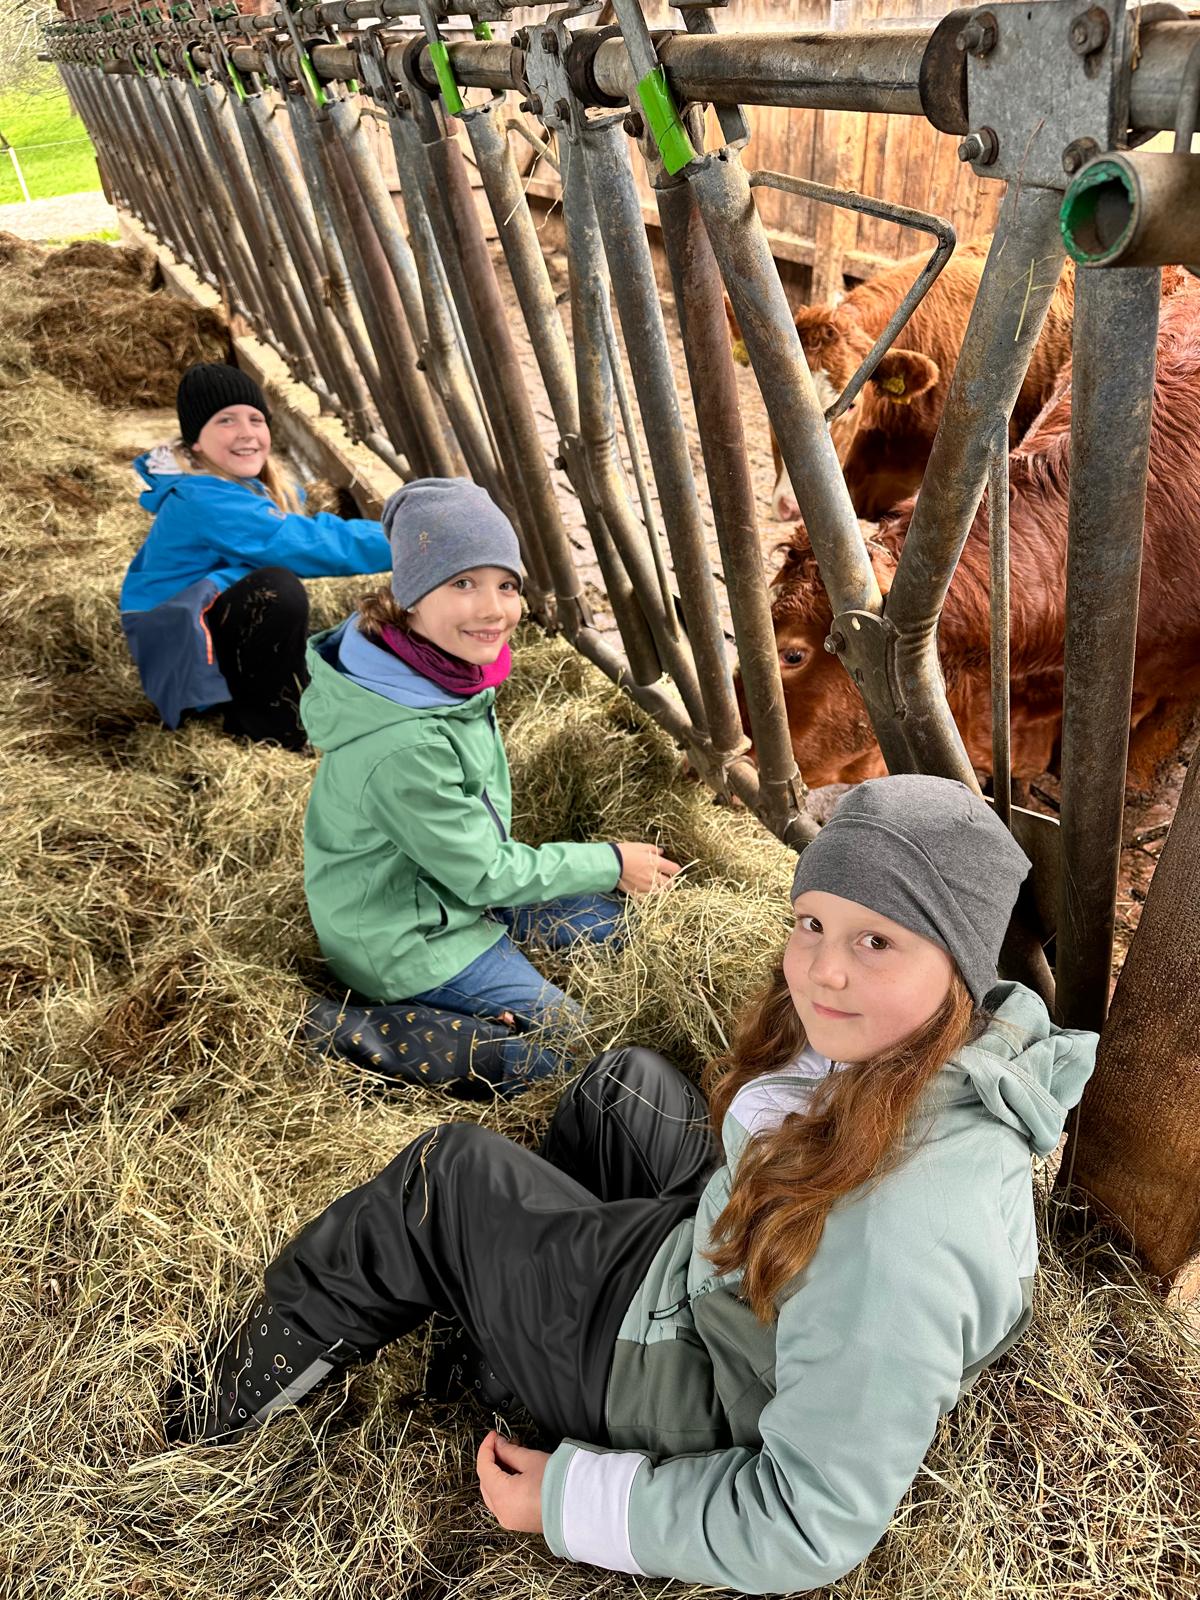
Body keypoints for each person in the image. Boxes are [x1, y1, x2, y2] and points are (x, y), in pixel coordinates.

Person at [178, 775, 1095, 1593]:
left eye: (877, 941)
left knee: (442, 1179)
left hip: (686, 1385)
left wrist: (572, 1500)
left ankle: (211, 1415)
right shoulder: (946, 1053)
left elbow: (807, 1523)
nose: (824, 969)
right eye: (812, 922)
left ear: (957, 962)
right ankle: (497, 1336)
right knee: (627, 1088)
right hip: (730, 1285)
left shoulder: (897, 1240)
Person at [299, 476, 680, 1091]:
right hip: (407, 942)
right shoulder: (404, 740)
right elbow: (482, 872)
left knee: (622, 929)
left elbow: (474, 859)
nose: (493, 609)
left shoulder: (432, 670)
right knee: (578, 1050)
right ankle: (417, 1036)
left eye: (506, 584)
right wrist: (610, 862)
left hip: (452, 888)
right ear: (410, 596)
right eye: (462, 583)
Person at [121, 362, 392, 748]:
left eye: (256, 419)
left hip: (197, 636)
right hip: (186, 660)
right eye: (226, 421)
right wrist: (408, 540)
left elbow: (304, 530)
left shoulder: (239, 487)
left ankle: (295, 704)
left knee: (325, 636)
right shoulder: (203, 498)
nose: (246, 432)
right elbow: (304, 543)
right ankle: (273, 732)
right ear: (196, 441)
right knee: (275, 591)